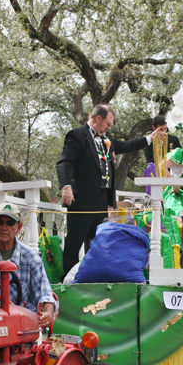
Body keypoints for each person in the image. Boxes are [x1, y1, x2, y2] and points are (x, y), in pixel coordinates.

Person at [56, 104, 155, 277]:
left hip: (101, 200)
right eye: (108, 123)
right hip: (82, 199)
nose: (110, 127)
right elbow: (64, 162)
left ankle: (89, 278)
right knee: (74, 243)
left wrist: (148, 139)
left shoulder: (106, 137)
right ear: (98, 118)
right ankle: (66, 282)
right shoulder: (77, 136)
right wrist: (66, 186)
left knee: (96, 243)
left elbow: (125, 146)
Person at [0, 203, 55, 327]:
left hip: (19, 324)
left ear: (18, 227)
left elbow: (45, 294)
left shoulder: (30, 257)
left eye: (10, 223)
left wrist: (48, 313)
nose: (3, 227)